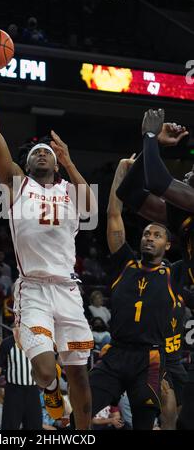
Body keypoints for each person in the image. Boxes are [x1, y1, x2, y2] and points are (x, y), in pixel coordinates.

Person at [0, 43, 96, 429]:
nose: (42, 154)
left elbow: (91, 205)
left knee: (81, 376)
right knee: (44, 370)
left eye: (48, 153)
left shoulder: (69, 192)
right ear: (25, 164)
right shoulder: (16, 186)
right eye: (36, 152)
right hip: (34, 290)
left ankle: (81, 434)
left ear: (56, 164)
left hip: (69, 292)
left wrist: (71, 160)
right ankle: (50, 393)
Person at [88, 157, 183, 430]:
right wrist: (120, 170)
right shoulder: (125, 264)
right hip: (116, 352)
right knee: (82, 412)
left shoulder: (173, 274)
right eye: (146, 234)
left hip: (150, 358)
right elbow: (113, 215)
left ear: (167, 245)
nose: (149, 238)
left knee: (143, 423)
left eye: (156, 235)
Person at [116, 110, 194, 428]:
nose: (187, 174)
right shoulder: (181, 212)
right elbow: (130, 194)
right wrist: (152, 145)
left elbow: (160, 181)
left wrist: (151, 139)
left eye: (190, 173)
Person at [0, 334, 42, 430]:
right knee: (10, 426)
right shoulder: (7, 343)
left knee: (35, 426)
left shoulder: (39, 342)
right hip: (14, 391)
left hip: (33, 391)